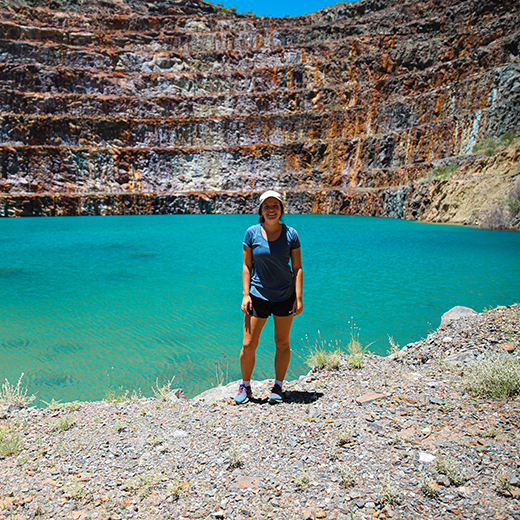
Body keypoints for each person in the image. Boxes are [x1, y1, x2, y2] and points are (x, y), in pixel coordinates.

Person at [235, 190, 303, 405]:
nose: (271, 209)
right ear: (260, 210)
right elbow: (247, 266)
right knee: (248, 344)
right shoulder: (251, 233)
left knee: (282, 343)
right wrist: (245, 295)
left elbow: (298, 268)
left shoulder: (291, 234)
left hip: (285, 296)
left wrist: (298, 297)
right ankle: (245, 385)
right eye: (267, 206)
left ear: (281, 209)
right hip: (257, 296)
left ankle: (278, 386)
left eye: (275, 205)